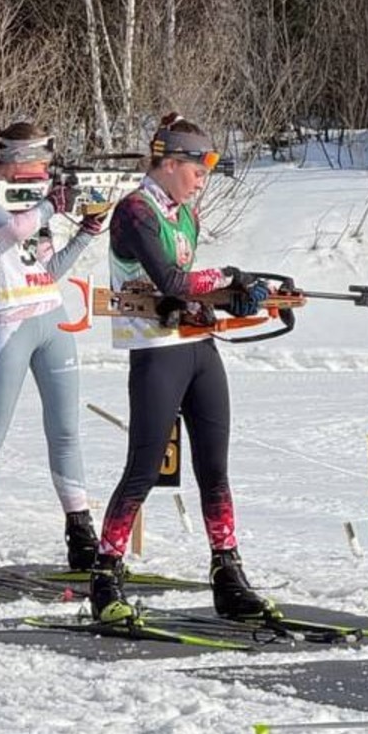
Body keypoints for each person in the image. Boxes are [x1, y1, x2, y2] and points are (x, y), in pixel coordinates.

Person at [90, 114, 273, 623]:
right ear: (169, 163)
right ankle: (105, 575)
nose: (202, 180)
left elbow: (185, 291)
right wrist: (229, 279)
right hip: (156, 351)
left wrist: (229, 300)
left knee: (214, 467)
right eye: (197, 169)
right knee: (144, 469)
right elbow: (171, 279)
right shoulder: (136, 210)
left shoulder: (184, 213)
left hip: (196, 345)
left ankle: (228, 572)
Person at [0, 122, 109, 583]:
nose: (40, 176)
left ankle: (81, 535)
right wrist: (51, 204)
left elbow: (46, 270)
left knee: (66, 432)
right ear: (10, 161)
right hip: (7, 321)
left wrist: (86, 232)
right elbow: (14, 229)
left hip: (52, 318)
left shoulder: (31, 201)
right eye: (35, 167)